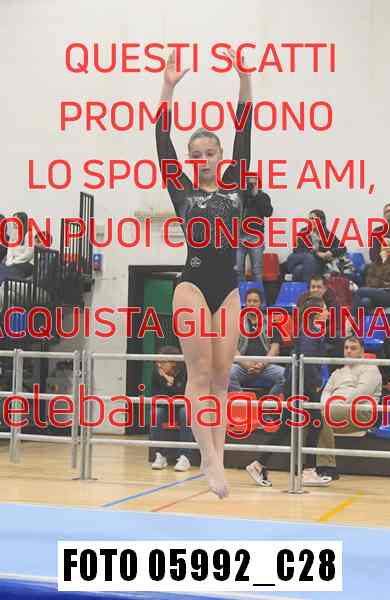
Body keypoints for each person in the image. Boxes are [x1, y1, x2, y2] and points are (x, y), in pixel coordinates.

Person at [155, 48, 253, 498]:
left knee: (221, 377)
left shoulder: (237, 187)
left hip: (228, 289)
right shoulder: (182, 192)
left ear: (221, 155)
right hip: (192, 286)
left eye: (210, 152)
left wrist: (245, 80)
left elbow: (245, 128)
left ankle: (219, 453)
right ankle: (208, 459)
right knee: (198, 375)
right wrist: (168, 87)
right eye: (196, 154)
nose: (204, 158)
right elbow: (161, 140)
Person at [246, 296, 332, 487]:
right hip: (302, 385)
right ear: (316, 313)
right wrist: (315, 384)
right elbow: (307, 363)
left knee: (288, 426)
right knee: (315, 423)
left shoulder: (312, 330)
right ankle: (307, 471)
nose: (328, 312)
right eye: (325, 309)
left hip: (298, 383)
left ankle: (259, 464)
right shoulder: (311, 332)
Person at [317, 336, 382, 479]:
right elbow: (326, 392)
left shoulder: (371, 368)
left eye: (353, 348)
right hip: (334, 411)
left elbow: (362, 393)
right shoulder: (337, 372)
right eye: (346, 348)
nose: (348, 351)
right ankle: (320, 467)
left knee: (317, 418)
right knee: (313, 419)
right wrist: (325, 407)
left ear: (362, 351)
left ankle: (324, 467)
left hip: (359, 411)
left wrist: (338, 406)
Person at [229, 288, 284, 396]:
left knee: (286, 376)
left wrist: (262, 364)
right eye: (249, 301)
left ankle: (268, 402)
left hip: (265, 365)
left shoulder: (270, 323)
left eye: (255, 301)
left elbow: (275, 349)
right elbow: (232, 348)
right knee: (227, 374)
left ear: (261, 304)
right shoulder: (236, 323)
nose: (252, 304)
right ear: (245, 303)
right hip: (242, 365)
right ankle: (244, 401)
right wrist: (245, 363)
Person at [149, 345, 194, 472]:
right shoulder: (157, 373)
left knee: (185, 412)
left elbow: (184, 395)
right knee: (155, 413)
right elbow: (156, 395)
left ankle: (185, 456)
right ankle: (160, 455)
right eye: (158, 362)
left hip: (182, 406)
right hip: (166, 407)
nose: (159, 365)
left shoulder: (186, 372)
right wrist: (168, 383)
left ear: (173, 362)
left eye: (163, 362)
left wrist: (171, 384)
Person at [286, 210, 347, 282]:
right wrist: (317, 254)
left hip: (313, 263)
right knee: (309, 257)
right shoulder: (303, 231)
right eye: (309, 219)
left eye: (313, 219)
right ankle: (310, 287)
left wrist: (331, 252)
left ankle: (309, 286)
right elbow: (298, 250)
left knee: (300, 270)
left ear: (321, 221)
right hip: (298, 258)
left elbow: (343, 247)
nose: (310, 221)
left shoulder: (327, 234)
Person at [236, 177, 273, 285]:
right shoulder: (240, 197)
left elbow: (268, 212)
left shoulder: (263, 196)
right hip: (239, 237)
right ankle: (241, 294)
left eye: (253, 184)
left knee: (257, 270)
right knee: (238, 269)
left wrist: (256, 195)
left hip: (255, 237)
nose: (250, 186)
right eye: (249, 183)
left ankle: (258, 295)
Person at [0, 212, 33, 284]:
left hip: (25, 263)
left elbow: (28, 254)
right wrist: (9, 261)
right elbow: (10, 251)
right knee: (1, 267)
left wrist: (15, 261)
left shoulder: (29, 235)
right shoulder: (13, 234)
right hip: (13, 262)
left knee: (10, 272)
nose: (13, 222)